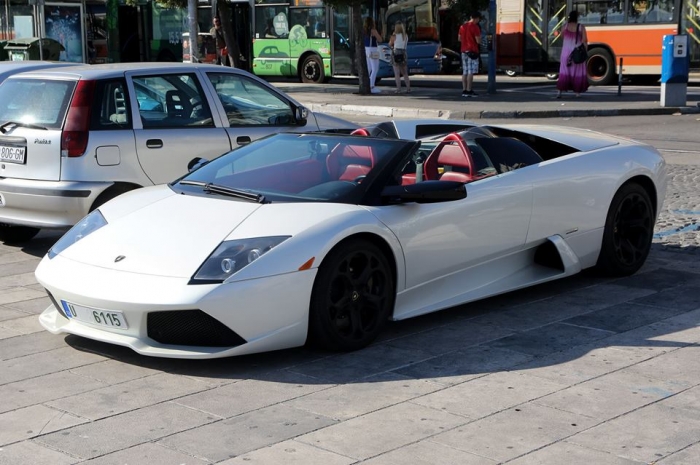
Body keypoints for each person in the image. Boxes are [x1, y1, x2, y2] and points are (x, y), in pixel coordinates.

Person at [556, 11, 589, 98]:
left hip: (565, 53)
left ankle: (559, 92)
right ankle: (577, 93)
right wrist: (585, 51)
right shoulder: (581, 27)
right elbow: (584, 40)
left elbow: (562, 37)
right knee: (577, 72)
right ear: (577, 18)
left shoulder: (564, 27)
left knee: (564, 72)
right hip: (576, 53)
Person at [458, 12, 482, 97]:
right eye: (478, 19)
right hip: (472, 51)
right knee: (470, 72)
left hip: (463, 51)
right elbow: (478, 41)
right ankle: (469, 90)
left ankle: (464, 90)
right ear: (476, 18)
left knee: (464, 71)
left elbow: (459, 39)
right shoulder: (475, 27)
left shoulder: (462, 26)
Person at [363, 17, 383, 94]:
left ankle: (367, 84)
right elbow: (380, 39)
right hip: (373, 49)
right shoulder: (373, 30)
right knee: (375, 68)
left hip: (366, 49)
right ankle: (371, 86)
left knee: (369, 68)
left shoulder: (364, 31)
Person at [389, 22, 410, 94]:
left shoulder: (394, 35)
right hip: (403, 53)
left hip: (396, 53)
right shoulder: (405, 36)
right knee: (405, 73)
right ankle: (408, 88)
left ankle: (398, 89)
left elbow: (390, 44)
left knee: (397, 73)